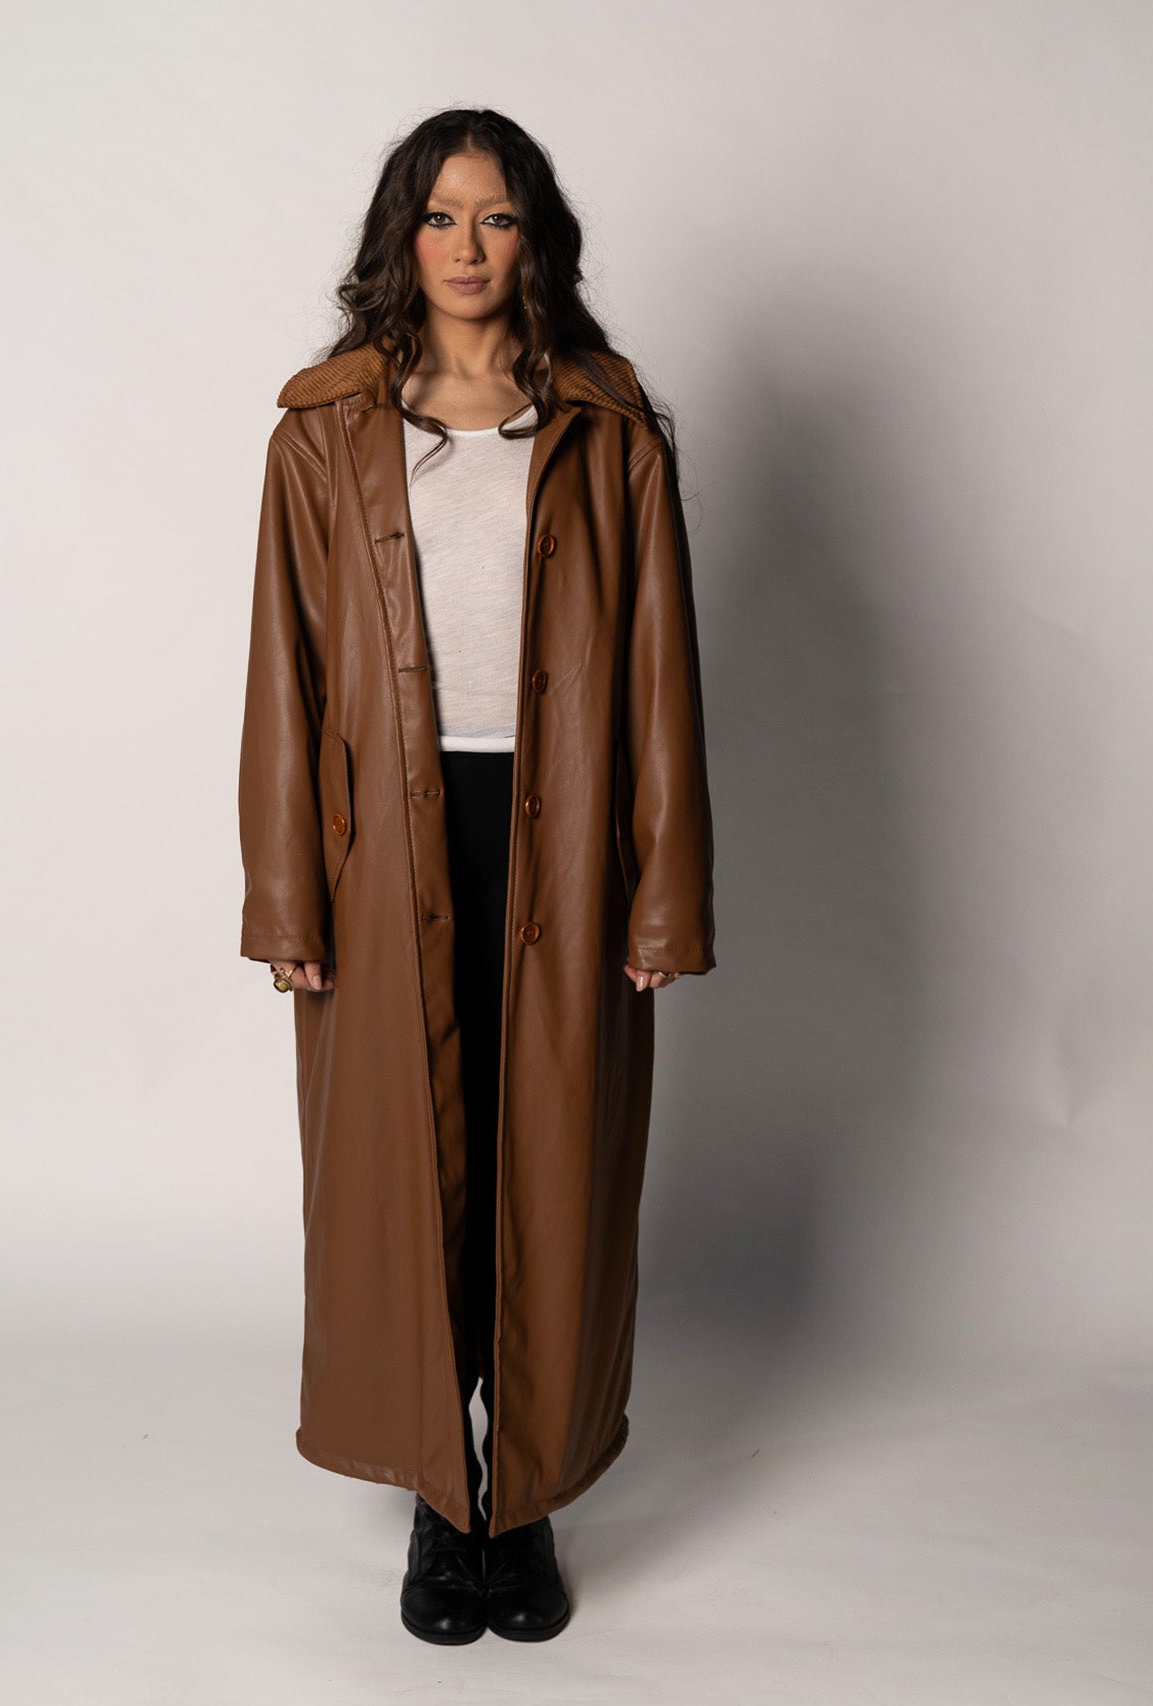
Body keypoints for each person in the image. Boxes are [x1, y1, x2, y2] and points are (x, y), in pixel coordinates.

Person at [238, 107, 715, 1645]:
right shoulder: (323, 432)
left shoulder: (607, 425)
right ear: (402, 234)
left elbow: (659, 674)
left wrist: (661, 893)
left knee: (546, 1168)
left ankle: (528, 1499)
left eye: (494, 217)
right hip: (382, 843)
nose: (464, 246)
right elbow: (284, 677)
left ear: (533, 239)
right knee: (407, 1170)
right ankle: (444, 1508)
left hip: (563, 832)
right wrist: (285, 898)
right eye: (439, 216)